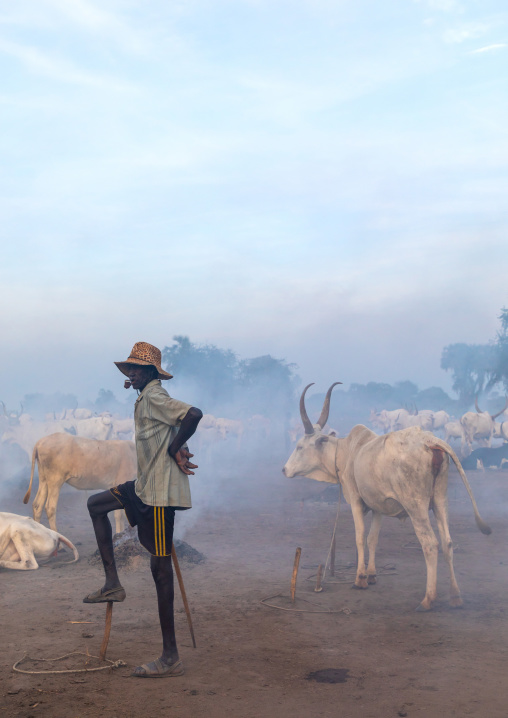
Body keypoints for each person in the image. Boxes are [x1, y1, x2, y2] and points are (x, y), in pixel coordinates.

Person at [83, 341, 202, 678]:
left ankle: (170, 656)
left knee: (160, 571)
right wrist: (177, 445)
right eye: (129, 368)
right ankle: (112, 583)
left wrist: (176, 447)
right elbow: (172, 427)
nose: (131, 373)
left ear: (150, 372)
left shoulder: (154, 395)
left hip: (160, 496)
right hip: (143, 487)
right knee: (96, 505)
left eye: (136, 368)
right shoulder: (145, 397)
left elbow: (193, 414)